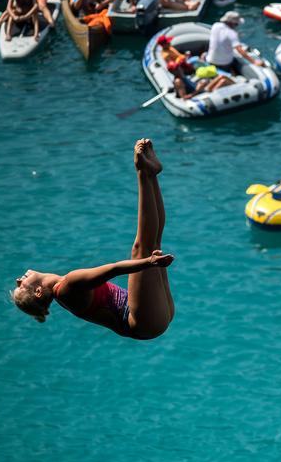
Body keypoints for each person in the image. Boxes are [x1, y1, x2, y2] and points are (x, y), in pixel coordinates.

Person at [12, 140, 174, 338]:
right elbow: (113, 270)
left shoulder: (64, 292)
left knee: (151, 244)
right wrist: (148, 263)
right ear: (38, 292)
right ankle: (142, 171)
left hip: (151, 318)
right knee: (141, 247)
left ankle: (151, 173)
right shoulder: (68, 288)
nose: (18, 280)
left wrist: (149, 262)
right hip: (142, 320)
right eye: (20, 286)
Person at [204, 10, 262, 75]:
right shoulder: (232, 33)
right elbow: (240, 50)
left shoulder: (215, 26)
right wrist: (254, 62)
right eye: (236, 24)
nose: (237, 25)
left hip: (210, 60)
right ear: (233, 23)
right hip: (224, 64)